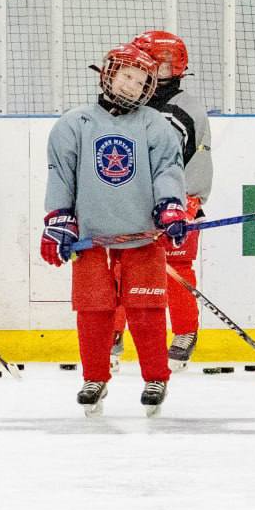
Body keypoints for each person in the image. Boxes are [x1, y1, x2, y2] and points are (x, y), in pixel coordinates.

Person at [40, 43, 188, 417]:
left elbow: (168, 169)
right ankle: (94, 377)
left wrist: (171, 206)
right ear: (108, 74)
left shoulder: (155, 124)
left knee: (147, 310)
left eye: (140, 81)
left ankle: (156, 376)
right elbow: (61, 174)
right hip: (91, 236)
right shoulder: (74, 124)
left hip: (142, 236)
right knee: (93, 311)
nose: (131, 86)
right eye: (126, 76)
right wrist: (58, 219)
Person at [108, 30, 213, 373]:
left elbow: (197, 158)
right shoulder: (125, 106)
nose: (157, 71)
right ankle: (112, 334)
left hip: (178, 203)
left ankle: (184, 332)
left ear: (178, 68)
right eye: (151, 64)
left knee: (176, 270)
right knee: (122, 269)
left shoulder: (188, 107)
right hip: (131, 203)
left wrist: (189, 200)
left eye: (165, 66)